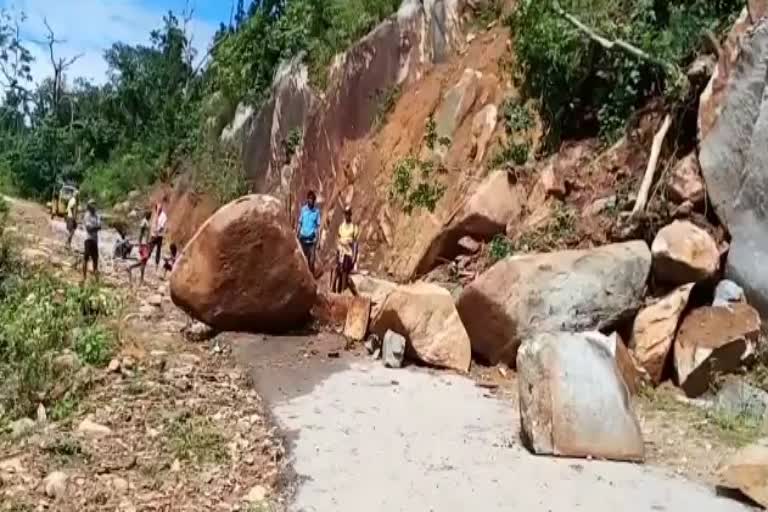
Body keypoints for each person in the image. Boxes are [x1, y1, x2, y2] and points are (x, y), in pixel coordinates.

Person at [333, 206, 360, 294]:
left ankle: (344, 290)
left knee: (344, 271)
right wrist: (337, 251)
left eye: (348, 214)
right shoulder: (341, 227)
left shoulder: (354, 227)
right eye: (345, 214)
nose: (347, 216)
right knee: (337, 271)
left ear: (350, 215)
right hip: (341, 251)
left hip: (348, 253)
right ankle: (334, 290)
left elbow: (355, 243)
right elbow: (338, 238)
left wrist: (355, 256)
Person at [296, 191, 321, 274]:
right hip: (302, 239)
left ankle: (312, 280)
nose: (311, 201)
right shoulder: (303, 210)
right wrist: (296, 235)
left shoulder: (316, 212)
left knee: (312, 261)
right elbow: (300, 223)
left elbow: (317, 227)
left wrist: (318, 240)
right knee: (303, 262)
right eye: (310, 199)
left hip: (312, 241)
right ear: (307, 199)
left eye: (313, 199)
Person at [126, 212, 152, 285]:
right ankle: (131, 268)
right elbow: (141, 234)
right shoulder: (144, 222)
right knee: (143, 261)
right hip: (143, 244)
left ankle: (140, 278)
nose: (149, 216)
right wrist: (140, 244)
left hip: (145, 244)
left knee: (144, 261)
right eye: (149, 215)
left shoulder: (146, 222)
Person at [82, 199, 101, 281]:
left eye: (95, 204)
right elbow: (89, 228)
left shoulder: (97, 216)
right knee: (86, 258)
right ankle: (84, 277)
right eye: (92, 205)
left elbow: (99, 226)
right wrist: (96, 227)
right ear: (89, 206)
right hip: (88, 239)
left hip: (95, 239)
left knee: (95, 259)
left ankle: (95, 277)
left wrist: (95, 228)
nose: (94, 206)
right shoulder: (87, 215)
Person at [149, 199, 168, 269]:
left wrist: (157, 232)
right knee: (150, 247)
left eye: (159, 209)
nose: (158, 210)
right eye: (157, 208)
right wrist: (152, 233)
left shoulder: (164, 216)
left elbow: (162, 226)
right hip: (154, 235)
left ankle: (156, 264)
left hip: (159, 235)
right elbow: (153, 224)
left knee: (158, 250)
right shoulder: (156, 214)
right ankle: (146, 259)